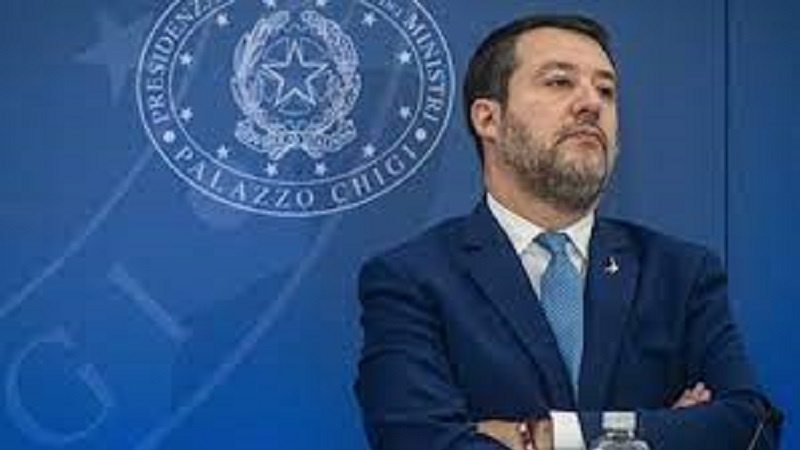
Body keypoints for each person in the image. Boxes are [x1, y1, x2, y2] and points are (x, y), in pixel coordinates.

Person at [354, 13, 780, 450]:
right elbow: (417, 440)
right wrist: (664, 432)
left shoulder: (681, 274)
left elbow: (751, 429)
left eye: (606, 90)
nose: (591, 103)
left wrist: (543, 436)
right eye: (559, 82)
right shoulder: (412, 280)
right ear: (488, 119)